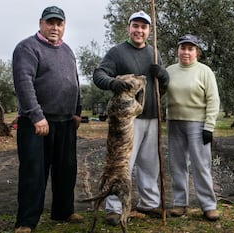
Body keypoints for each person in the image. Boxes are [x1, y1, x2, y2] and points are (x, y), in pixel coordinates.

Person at [92, 10, 170, 226]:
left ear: (149, 31)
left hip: (152, 116)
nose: (139, 30)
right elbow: (98, 75)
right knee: (122, 163)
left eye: (143, 27)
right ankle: (114, 208)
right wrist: (112, 83)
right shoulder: (117, 52)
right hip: (126, 120)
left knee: (150, 163)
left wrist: (162, 74)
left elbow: (164, 85)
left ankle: (149, 203)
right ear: (129, 28)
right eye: (135, 26)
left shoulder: (154, 53)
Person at [12, 6, 83, 233]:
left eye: (59, 24)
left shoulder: (68, 50)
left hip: (65, 121)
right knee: (34, 173)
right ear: (41, 23)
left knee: (66, 170)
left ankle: (63, 211)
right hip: (37, 123)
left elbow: (75, 82)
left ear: (64, 26)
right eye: (50, 23)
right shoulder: (27, 48)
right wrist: (36, 115)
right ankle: (26, 221)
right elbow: (24, 84)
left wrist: (77, 111)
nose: (55, 28)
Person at [166, 34, 221, 221]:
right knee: (177, 165)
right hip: (174, 123)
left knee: (201, 165)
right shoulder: (170, 71)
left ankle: (208, 205)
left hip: (198, 125)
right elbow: (160, 94)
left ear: (196, 51)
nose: (186, 52)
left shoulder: (205, 72)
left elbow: (213, 100)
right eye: (183, 48)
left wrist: (209, 127)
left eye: (190, 49)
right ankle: (180, 204)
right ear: (178, 50)